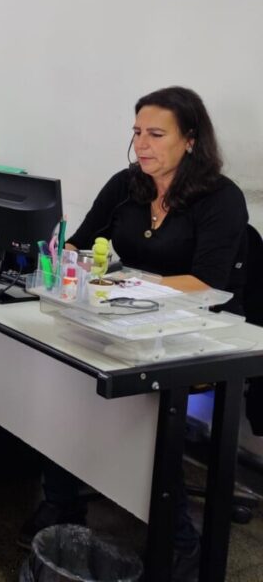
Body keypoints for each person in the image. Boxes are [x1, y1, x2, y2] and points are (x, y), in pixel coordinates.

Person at [22, 86, 248, 580]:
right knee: (63, 377)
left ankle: (181, 543)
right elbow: (79, 242)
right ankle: (62, 502)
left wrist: (125, 284)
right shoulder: (128, 185)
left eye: (156, 134)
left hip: (196, 330)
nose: (142, 144)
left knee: (133, 408)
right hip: (124, 318)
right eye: (137, 132)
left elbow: (208, 281)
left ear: (190, 140)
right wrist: (65, 261)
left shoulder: (220, 198)